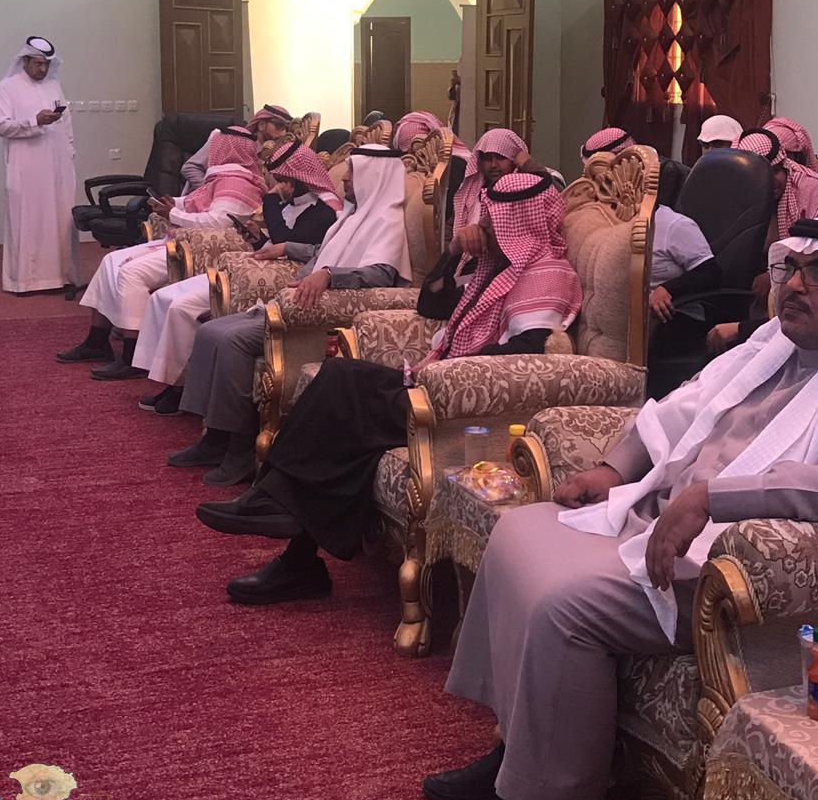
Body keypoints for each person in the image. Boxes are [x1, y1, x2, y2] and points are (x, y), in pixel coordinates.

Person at [423, 214, 818, 800]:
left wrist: (714, 498)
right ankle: (517, 746)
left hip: (718, 561)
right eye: (792, 267)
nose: (795, 285)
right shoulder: (775, 342)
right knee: (517, 531)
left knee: (565, 606)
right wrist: (613, 469)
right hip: (657, 517)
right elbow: (685, 406)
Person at [195, 171, 583, 603]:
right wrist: (453, 251)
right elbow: (431, 304)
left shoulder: (546, 274)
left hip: (470, 407)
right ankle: (283, 523)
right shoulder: (497, 269)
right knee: (338, 377)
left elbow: (528, 352)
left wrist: (450, 374)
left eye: (493, 219)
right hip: (439, 381)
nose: (483, 227)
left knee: (345, 408)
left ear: (520, 220)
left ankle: (290, 539)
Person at [172, 143, 414, 484]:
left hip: (322, 320)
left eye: (352, 172)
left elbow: (381, 274)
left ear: (372, 176)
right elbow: (321, 250)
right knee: (211, 329)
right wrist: (288, 249)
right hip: (295, 302)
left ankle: (240, 449)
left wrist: (329, 275)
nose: (345, 178)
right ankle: (214, 437)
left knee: (232, 340)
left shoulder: (387, 221)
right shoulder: (352, 217)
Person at [132, 138, 344, 416]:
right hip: (251, 268)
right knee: (165, 296)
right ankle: (165, 379)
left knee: (182, 308)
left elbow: (287, 242)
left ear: (299, 180)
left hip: (277, 279)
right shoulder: (288, 205)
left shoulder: (322, 212)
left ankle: (178, 388)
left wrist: (270, 200)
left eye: (284, 180)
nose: (280, 185)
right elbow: (275, 243)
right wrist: (257, 239)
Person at [56, 127, 264, 378]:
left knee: (131, 273)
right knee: (111, 260)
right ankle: (97, 341)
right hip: (182, 240)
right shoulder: (222, 177)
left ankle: (132, 356)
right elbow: (198, 203)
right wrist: (174, 203)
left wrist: (173, 214)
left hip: (199, 249)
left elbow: (218, 222)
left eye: (217, 146)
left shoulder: (237, 182)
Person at [707, 129, 818, 355]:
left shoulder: (815, 195)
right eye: (761, 175)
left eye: (775, 172)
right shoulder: (736, 190)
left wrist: (776, 275)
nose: (769, 182)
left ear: (785, 168)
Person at [0, 36, 78, 296]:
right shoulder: (7, 87)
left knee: (59, 217)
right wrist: (34, 121)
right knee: (29, 219)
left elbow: (66, 123)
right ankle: (26, 281)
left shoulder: (54, 85)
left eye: (46, 64)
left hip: (58, 164)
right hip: (26, 165)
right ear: (25, 61)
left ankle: (61, 276)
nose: (43, 69)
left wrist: (70, 153)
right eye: (38, 64)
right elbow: (3, 127)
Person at [180, 104, 292, 193]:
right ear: (261, 125)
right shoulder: (230, 139)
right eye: (279, 126)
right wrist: (212, 192)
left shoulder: (275, 155)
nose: (283, 133)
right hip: (208, 204)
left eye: (286, 129)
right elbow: (190, 168)